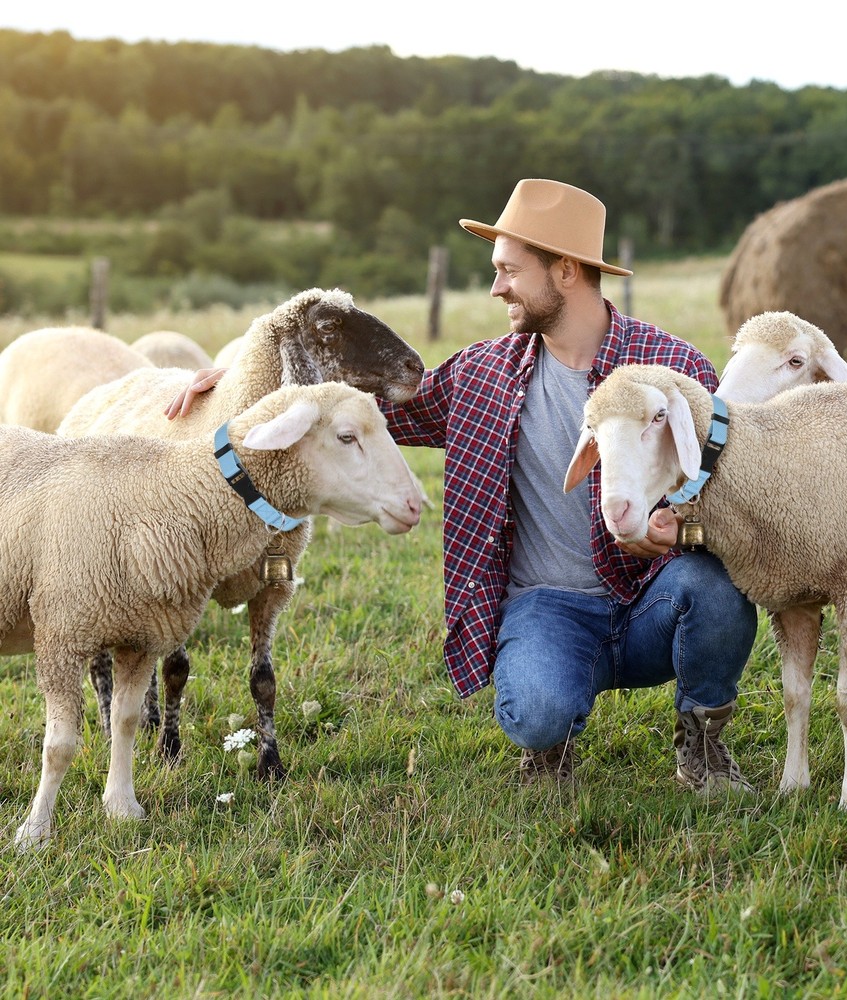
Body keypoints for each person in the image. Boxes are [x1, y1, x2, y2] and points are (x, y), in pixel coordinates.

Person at [167, 178, 758, 794]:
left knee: (718, 588)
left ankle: (703, 747)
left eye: (509, 270)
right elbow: (344, 416)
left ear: (564, 271)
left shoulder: (675, 369)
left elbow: (731, 494)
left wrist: (679, 534)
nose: (496, 285)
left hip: (649, 599)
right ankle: (548, 741)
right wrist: (241, 383)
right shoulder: (478, 374)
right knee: (536, 710)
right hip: (547, 608)